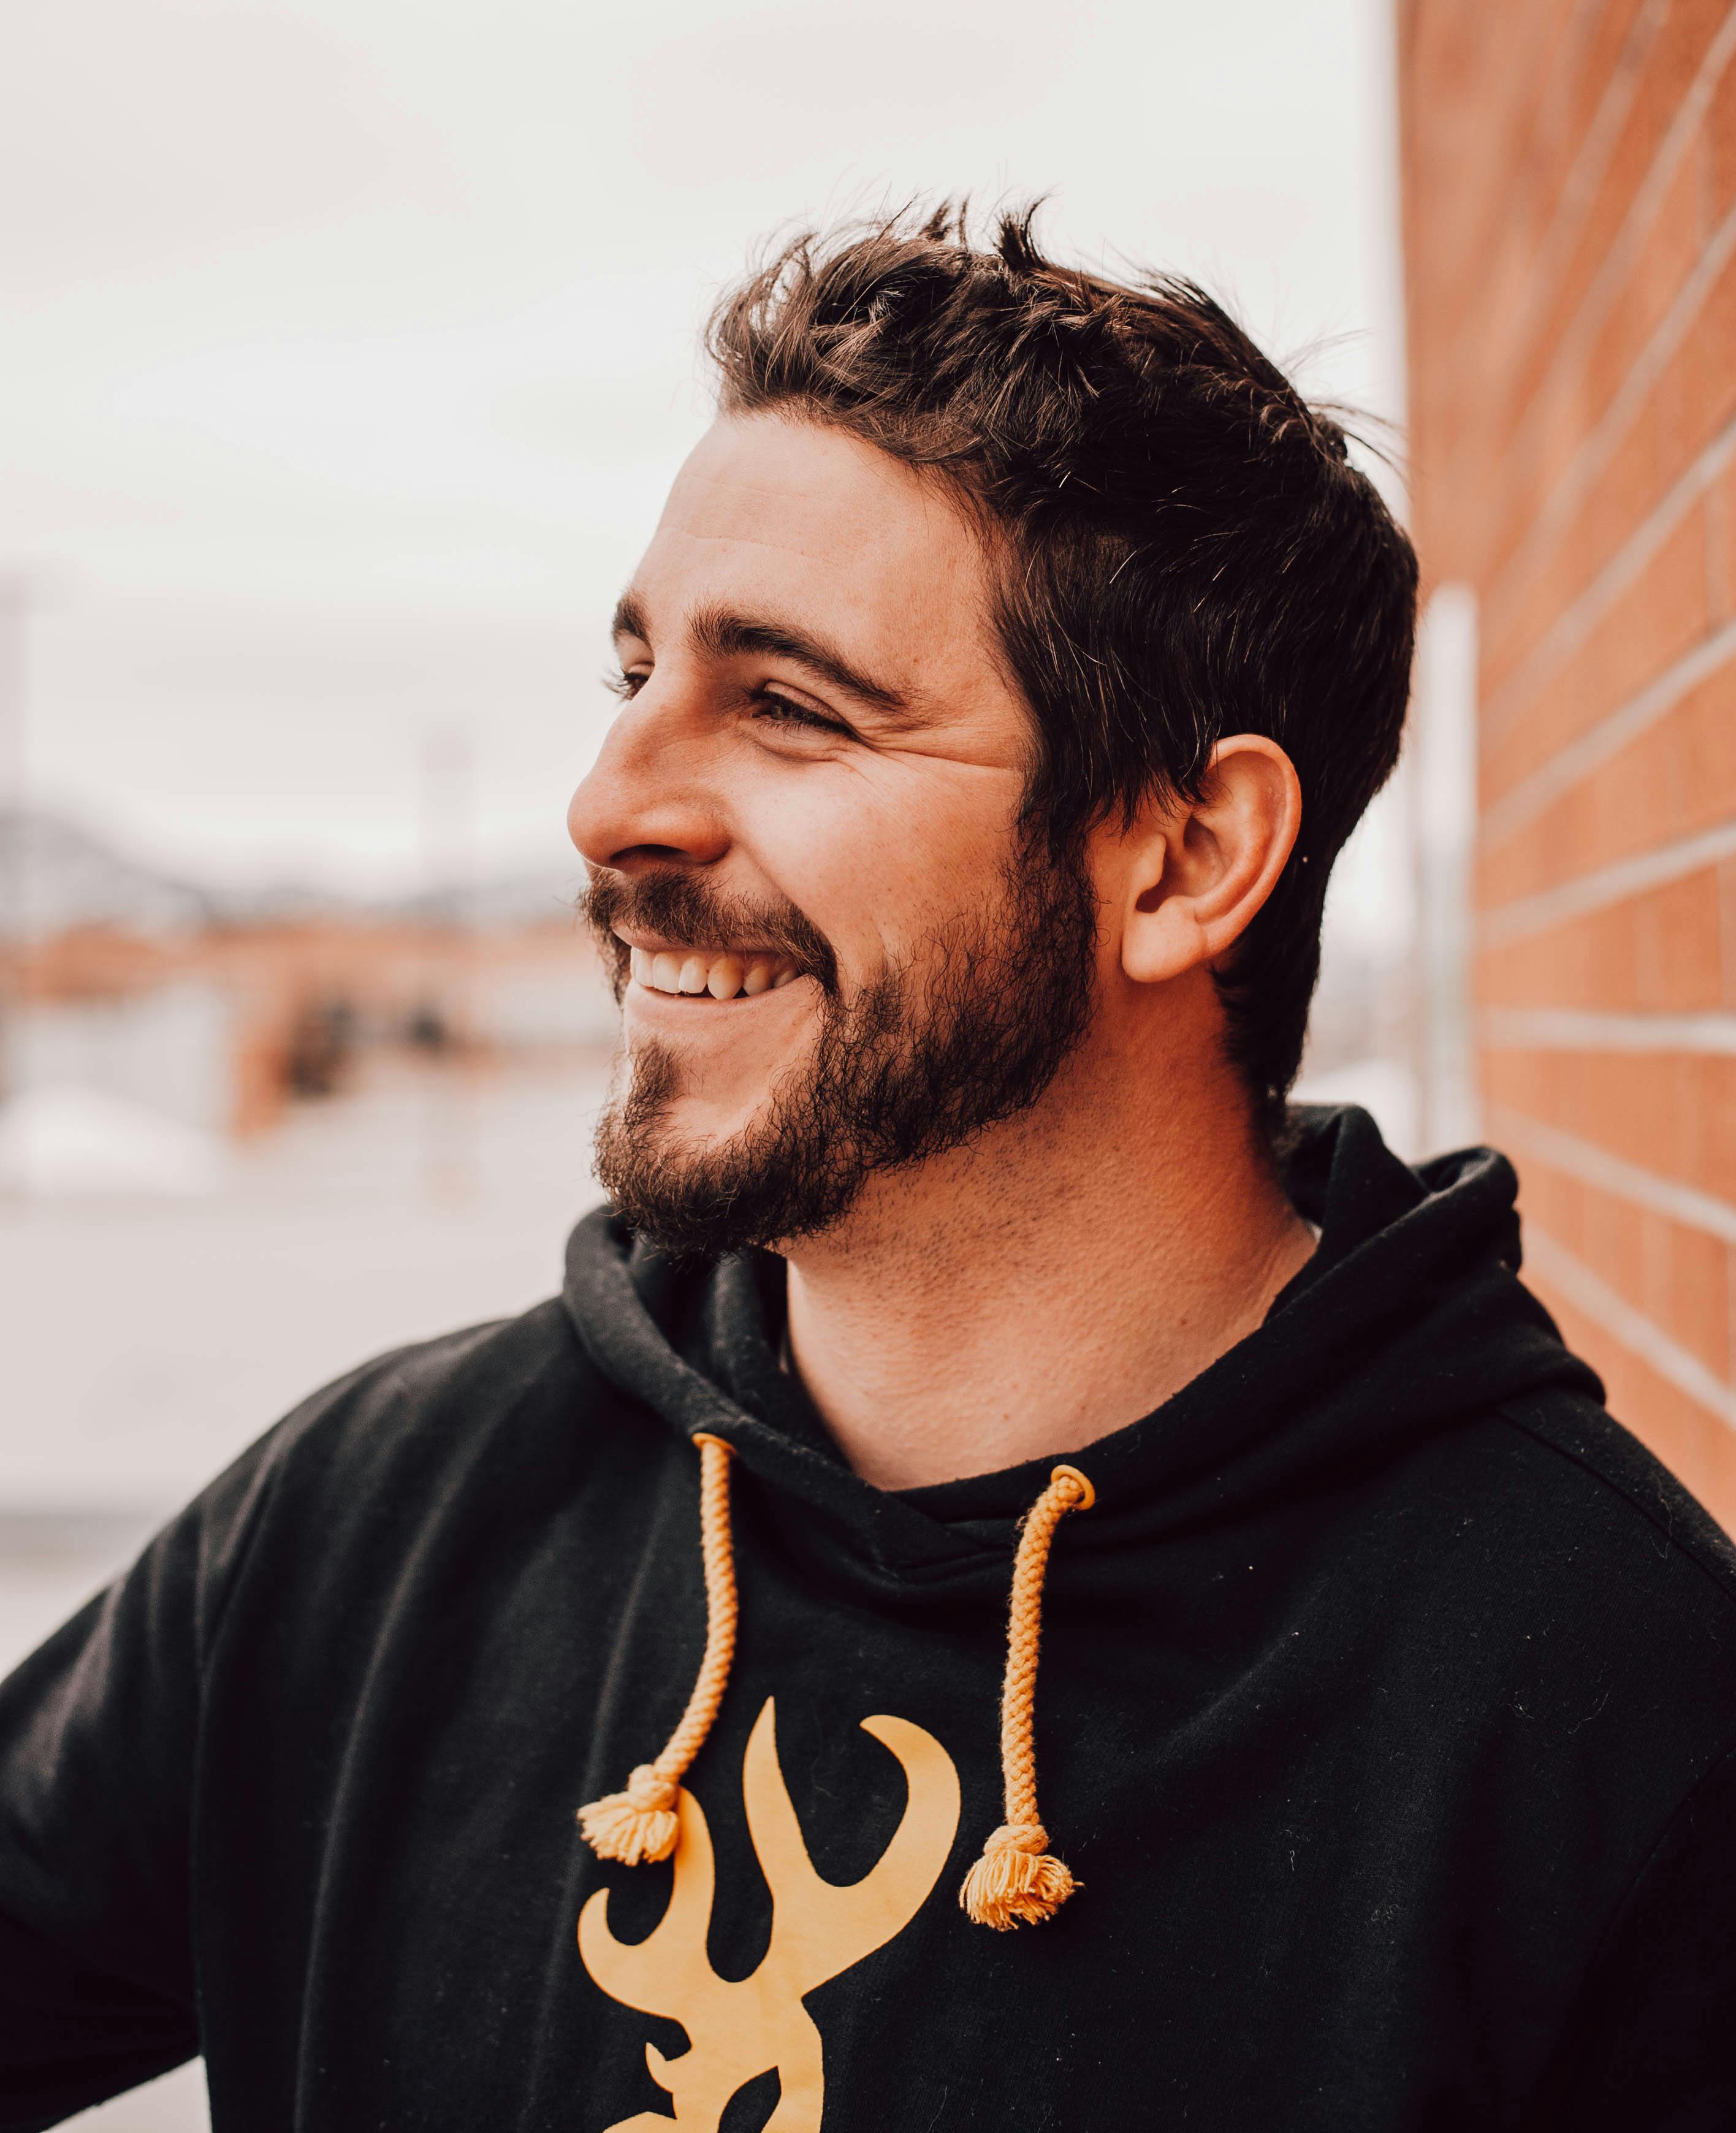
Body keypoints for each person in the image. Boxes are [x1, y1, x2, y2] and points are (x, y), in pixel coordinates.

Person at [3, 208, 1733, 2133]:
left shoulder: (1617, 1725)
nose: (610, 807)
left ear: (1182, 859)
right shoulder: (362, 1534)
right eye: (635, 674)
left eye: (790, 707)